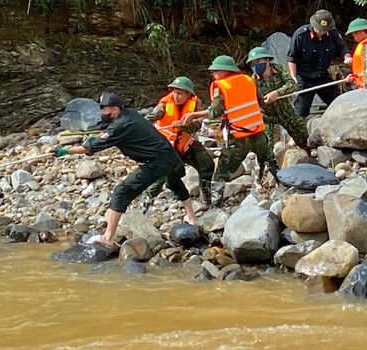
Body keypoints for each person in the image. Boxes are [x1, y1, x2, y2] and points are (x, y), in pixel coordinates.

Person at [56, 92, 197, 247]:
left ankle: (108, 238)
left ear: (115, 110)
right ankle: (192, 218)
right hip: (170, 156)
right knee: (174, 183)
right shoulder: (129, 114)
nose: (103, 113)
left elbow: (89, 147)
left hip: (157, 162)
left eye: (105, 110)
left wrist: (65, 151)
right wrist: (97, 138)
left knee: (121, 192)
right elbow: (107, 133)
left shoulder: (120, 126)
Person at [185, 55, 278, 206]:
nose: (213, 74)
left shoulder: (221, 87)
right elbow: (260, 102)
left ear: (224, 71)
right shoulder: (249, 80)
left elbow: (215, 112)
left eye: (215, 71)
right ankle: (284, 186)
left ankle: (215, 204)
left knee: (221, 172)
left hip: (238, 137)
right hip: (258, 132)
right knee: (270, 159)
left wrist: (194, 115)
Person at [147, 76, 215, 201]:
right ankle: (147, 198)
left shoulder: (196, 103)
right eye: (174, 92)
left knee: (207, 164)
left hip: (186, 144)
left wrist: (185, 125)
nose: (176, 96)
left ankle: (207, 197)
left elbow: (198, 124)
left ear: (188, 94)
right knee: (160, 175)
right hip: (168, 147)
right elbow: (151, 117)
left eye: (180, 93)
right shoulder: (164, 104)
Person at [245, 46, 309, 150]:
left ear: (267, 60)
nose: (256, 65)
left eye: (258, 61)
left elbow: (292, 84)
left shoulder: (279, 69)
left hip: (286, 112)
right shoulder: (253, 81)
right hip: (267, 116)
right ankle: (268, 165)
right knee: (265, 145)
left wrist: (277, 93)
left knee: (303, 137)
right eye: (253, 63)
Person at [287, 10, 347, 118]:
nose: (322, 32)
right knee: (301, 110)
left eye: (324, 30)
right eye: (319, 29)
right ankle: (302, 132)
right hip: (305, 78)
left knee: (338, 103)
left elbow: (342, 48)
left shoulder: (333, 33)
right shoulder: (301, 35)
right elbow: (292, 58)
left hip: (323, 76)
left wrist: (347, 56)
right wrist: (293, 78)